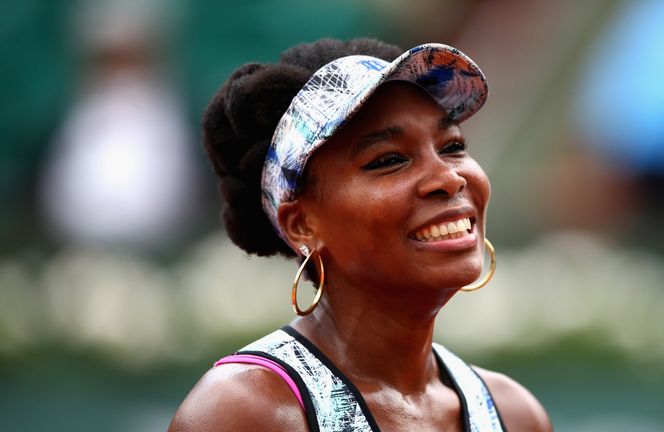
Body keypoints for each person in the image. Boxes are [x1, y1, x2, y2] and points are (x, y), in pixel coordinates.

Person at [169, 38, 551, 431]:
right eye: (389, 160)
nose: (449, 178)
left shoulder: (513, 414)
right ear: (302, 224)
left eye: (452, 146)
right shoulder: (247, 411)